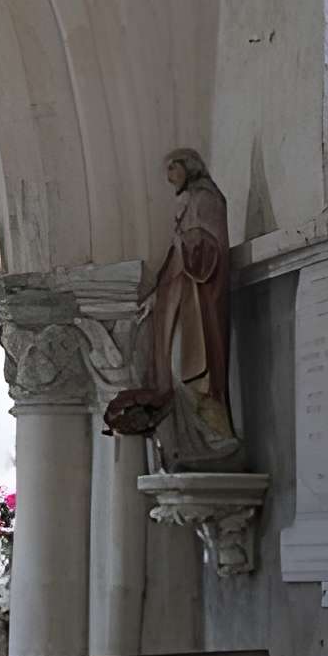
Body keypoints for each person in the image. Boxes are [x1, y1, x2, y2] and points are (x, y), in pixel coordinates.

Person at [123, 148, 242, 471]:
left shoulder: (205, 199)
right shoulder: (187, 200)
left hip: (198, 302)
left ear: (189, 167)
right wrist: (155, 298)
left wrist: (188, 241)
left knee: (192, 369)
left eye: (173, 168)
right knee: (175, 369)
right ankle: (194, 441)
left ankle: (217, 437)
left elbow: (210, 251)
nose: (169, 176)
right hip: (179, 297)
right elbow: (172, 263)